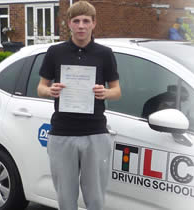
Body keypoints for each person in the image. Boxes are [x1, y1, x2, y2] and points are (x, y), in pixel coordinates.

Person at [36, 1, 121, 210]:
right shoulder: (55, 52)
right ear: (69, 24)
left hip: (95, 133)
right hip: (62, 134)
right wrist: (50, 91)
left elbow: (117, 91)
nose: (81, 25)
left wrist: (105, 93)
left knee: (96, 199)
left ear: (94, 24)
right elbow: (40, 87)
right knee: (65, 198)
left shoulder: (105, 53)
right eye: (76, 21)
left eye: (86, 21)